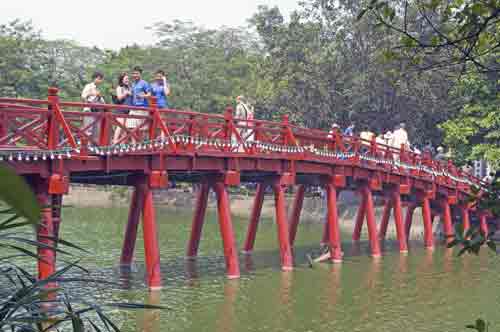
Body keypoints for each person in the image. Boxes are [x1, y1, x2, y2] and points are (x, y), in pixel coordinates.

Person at [127, 67, 151, 138]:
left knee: (142, 128)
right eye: (134, 73)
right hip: (134, 107)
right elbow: (132, 94)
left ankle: (142, 145)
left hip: (142, 107)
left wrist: (143, 96)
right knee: (130, 126)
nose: (135, 75)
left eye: (137, 73)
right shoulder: (133, 84)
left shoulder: (144, 83)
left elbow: (149, 94)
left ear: (140, 74)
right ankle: (134, 145)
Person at [81, 71, 105, 141]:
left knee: (96, 132)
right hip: (89, 110)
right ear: (94, 78)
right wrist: (92, 94)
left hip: (97, 111)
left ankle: (93, 149)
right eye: (99, 78)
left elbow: (103, 102)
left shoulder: (98, 89)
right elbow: (83, 96)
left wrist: (99, 97)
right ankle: (85, 148)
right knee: (88, 130)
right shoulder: (88, 86)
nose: (100, 80)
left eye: (101, 79)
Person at [112, 72, 133, 144]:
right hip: (120, 109)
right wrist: (126, 93)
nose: (127, 80)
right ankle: (115, 141)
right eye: (126, 79)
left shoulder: (129, 87)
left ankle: (122, 144)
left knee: (126, 128)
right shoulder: (119, 87)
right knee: (120, 126)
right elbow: (119, 97)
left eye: (128, 79)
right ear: (122, 79)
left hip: (128, 110)